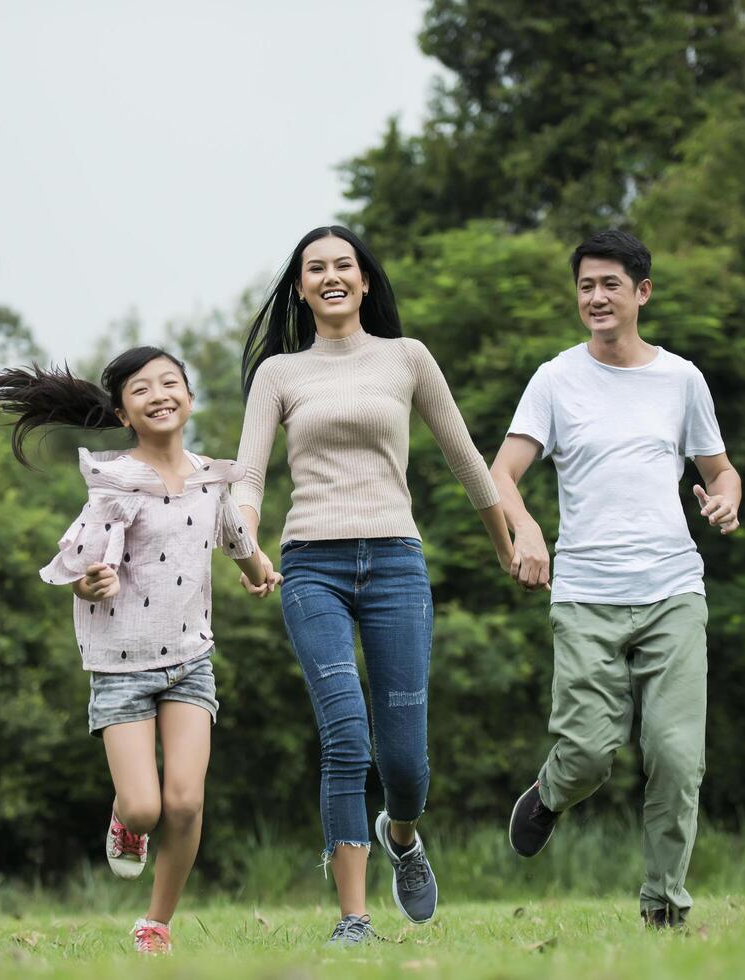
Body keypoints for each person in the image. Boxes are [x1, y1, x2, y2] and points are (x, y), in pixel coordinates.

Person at [233, 225, 515, 946]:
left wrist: (504, 547)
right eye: (314, 268)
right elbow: (248, 477)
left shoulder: (406, 358)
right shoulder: (279, 374)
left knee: (404, 766)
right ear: (300, 288)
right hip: (310, 568)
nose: (330, 276)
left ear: (363, 282)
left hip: (394, 562)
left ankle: (403, 833)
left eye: (343, 266)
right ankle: (353, 919)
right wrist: (244, 544)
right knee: (345, 739)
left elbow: (465, 459)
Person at [0, 347, 277, 954]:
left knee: (186, 800)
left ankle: (156, 923)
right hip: (121, 666)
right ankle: (126, 819)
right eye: (142, 389)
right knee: (145, 809)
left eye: (171, 383)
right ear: (123, 412)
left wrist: (258, 569)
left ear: (190, 399)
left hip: (191, 660)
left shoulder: (210, 477)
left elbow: (234, 532)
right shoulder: (115, 482)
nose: (160, 394)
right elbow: (85, 560)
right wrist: (92, 580)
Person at [491, 229, 742, 929]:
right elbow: (500, 473)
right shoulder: (555, 379)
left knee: (674, 755)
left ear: (641, 292)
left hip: (671, 590)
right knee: (590, 753)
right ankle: (548, 793)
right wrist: (527, 528)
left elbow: (718, 468)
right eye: (584, 286)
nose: (595, 297)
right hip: (586, 596)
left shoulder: (680, 379)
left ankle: (663, 905)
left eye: (608, 284)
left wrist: (725, 497)